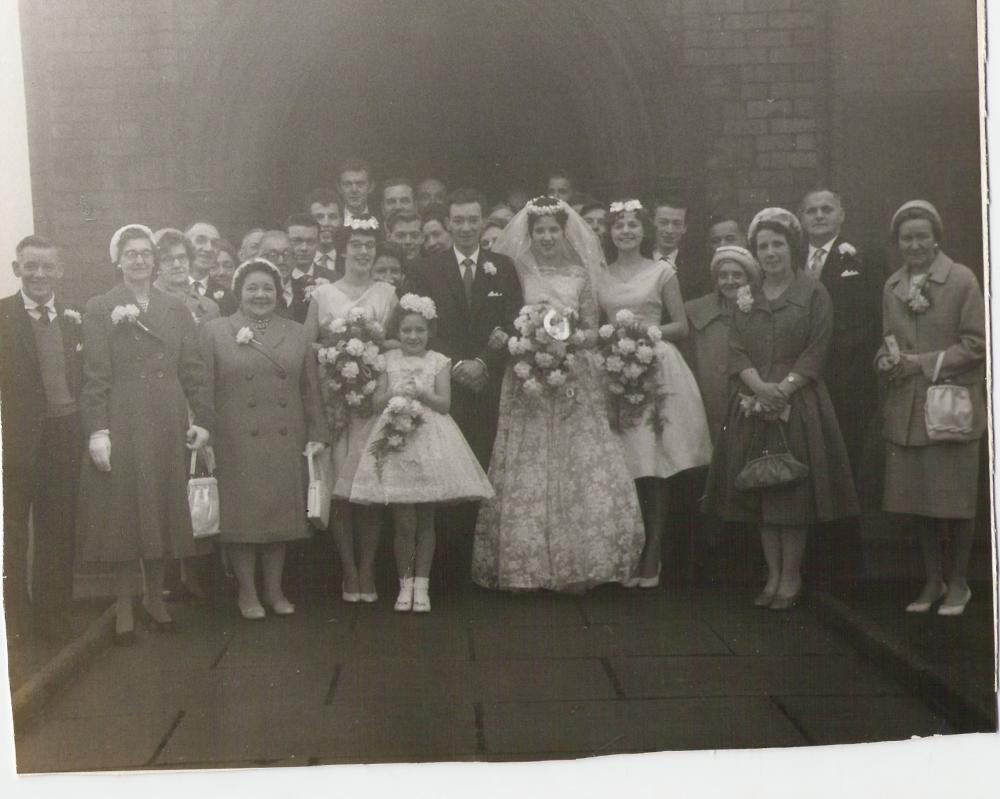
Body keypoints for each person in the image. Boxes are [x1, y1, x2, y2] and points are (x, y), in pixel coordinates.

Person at [471, 196, 644, 592]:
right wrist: (530, 338)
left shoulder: (581, 273)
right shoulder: (516, 272)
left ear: (564, 232)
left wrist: (563, 339)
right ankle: (526, 566)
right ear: (529, 235)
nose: (547, 237)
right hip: (527, 377)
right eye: (539, 231)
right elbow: (508, 320)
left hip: (571, 376)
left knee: (576, 461)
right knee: (528, 463)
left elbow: (589, 329)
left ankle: (580, 562)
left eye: (553, 230)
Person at [703, 208, 859, 610]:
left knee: (792, 495)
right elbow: (736, 349)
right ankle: (772, 574)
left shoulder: (813, 293)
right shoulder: (746, 296)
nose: (770, 252)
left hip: (799, 404)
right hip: (754, 402)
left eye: (777, 245)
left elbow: (816, 350)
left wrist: (784, 389)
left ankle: (791, 577)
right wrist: (758, 386)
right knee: (763, 494)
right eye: (762, 246)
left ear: (792, 247)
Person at [77, 224, 212, 643]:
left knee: (159, 508)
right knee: (125, 512)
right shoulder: (101, 307)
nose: (139, 260)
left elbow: (192, 368)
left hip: (166, 415)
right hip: (124, 415)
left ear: (155, 260)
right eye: (130, 253)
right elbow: (95, 374)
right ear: (118, 260)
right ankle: (123, 606)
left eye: (145, 253)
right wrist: (98, 429)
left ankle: (155, 599)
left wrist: (202, 420)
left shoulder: (174, 307)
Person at [875, 201, 986, 616]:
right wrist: (884, 361)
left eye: (923, 236)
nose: (915, 245)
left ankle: (959, 582)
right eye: (907, 238)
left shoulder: (961, 280)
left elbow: (978, 344)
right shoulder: (891, 287)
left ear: (936, 237)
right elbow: (889, 341)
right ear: (898, 243)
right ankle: (932, 579)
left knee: (954, 501)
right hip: (907, 408)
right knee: (919, 501)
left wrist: (921, 364)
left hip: (950, 406)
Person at [202, 258, 329, 619]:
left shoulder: (297, 332)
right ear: (238, 292)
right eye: (252, 288)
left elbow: (310, 388)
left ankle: (274, 590)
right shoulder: (215, 331)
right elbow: (204, 389)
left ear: (279, 293)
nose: (260, 295)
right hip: (236, 438)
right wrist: (206, 432)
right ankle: (246, 592)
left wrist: (318, 432)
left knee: (277, 518)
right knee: (243, 521)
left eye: (268, 288)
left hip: (284, 435)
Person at [350, 295, 494, 612]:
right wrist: (394, 392)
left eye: (419, 330)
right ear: (397, 332)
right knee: (403, 521)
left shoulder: (439, 361)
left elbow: (444, 403)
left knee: (426, 519)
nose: (413, 337)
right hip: (396, 441)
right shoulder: (388, 360)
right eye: (406, 331)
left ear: (429, 331)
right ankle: (404, 586)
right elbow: (375, 404)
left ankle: (422, 586)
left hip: (431, 441)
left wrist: (423, 392)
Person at [597, 200, 712, 586]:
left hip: (655, 364)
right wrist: (615, 341)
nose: (625, 232)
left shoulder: (662, 271)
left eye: (632, 225)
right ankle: (628, 546)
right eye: (618, 226)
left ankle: (654, 551)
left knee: (655, 462)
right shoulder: (601, 275)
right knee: (626, 462)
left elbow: (681, 324)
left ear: (644, 231)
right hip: (615, 368)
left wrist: (645, 335)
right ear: (609, 233)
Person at [305, 215, 398, 602]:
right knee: (341, 491)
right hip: (335, 399)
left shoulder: (387, 293)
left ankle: (368, 568)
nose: (363, 252)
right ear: (343, 249)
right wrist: (335, 355)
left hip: (372, 400)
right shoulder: (323, 294)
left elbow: (398, 343)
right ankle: (348, 570)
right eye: (356, 245)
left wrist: (376, 356)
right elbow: (307, 346)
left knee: (370, 489)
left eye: (369, 246)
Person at [1, 235, 84, 643]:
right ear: (17, 269)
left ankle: (54, 618)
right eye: (30, 266)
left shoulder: (74, 318)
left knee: (58, 530)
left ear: (59, 271)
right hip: (15, 442)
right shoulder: (2, 316)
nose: (38, 274)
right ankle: (14, 621)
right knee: (11, 534)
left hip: (63, 437)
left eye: (46, 266)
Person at [798, 188, 879, 584]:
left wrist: (831, 353)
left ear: (841, 215)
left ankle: (845, 568)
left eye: (826, 209)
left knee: (843, 465)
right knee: (810, 465)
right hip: (803, 380)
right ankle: (810, 562)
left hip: (845, 380)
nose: (818, 216)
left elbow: (870, 319)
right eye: (811, 210)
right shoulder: (795, 260)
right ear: (802, 217)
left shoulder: (858, 259)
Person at [685, 245, 762, 442]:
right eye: (723, 275)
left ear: (749, 278)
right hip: (708, 399)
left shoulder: (761, 310)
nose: (729, 281)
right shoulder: (696, 310)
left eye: (737, 275)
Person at [153, 230, 221, 325]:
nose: (177, 264)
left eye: (182, 257)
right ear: (157, 265)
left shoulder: (210, 308)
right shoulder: (147, 303)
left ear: (190, 260)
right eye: (168, 259)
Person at [651, 198, 709, 302]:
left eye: (676, 224)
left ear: (685, 228)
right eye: (663, 223)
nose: (669, 230)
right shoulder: (639, 259)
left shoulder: (697, 267)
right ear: (652, 223)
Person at [286, 213, 337, 323]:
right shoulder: (278, 279)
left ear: (318, 243)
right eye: (296, 241)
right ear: (286, 241)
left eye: (310, 241)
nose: (304, 248)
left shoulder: (335, 280)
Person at [257, 229, 295, 318]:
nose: (281, 261)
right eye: (273, 255)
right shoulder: (253, 293)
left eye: (286, 254)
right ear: (260, 258)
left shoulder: (306, 290)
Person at [307, 187, 342, 273]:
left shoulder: (351, 263)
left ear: (341, 221)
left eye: (332, 217)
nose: (326, 223)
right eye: (319, 217)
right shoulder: (297, 263)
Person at [337, 159, 374, 223]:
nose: (354, 190)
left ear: (371, 187)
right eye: (347, 184)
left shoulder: (381, 220)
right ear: (339, 188)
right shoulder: (333, 220)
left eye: (360, 184)